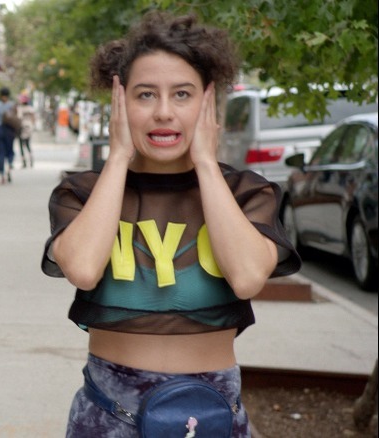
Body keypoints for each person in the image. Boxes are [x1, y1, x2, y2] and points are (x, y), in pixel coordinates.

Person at [40, 12, 301, 437]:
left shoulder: (246, 192)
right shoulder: (83, 193)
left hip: (212, 415)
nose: (164, 112)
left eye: (182, 94)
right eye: (145, 95)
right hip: (109, 415)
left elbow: (248, 278)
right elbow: (84, 268)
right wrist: (119, 157)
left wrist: (205, 164)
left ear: (207, 102)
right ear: (119, 102)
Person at [17, 94, 35, 168]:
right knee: (28, 145)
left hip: (22, 127)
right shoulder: (31, 109)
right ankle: (31, 159)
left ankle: (24, 162)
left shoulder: (20, 109)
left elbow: (19, 118)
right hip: (29, 127)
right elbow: (33, 119)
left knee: (21, 146)